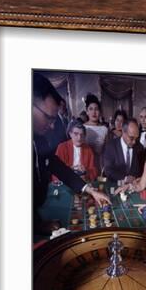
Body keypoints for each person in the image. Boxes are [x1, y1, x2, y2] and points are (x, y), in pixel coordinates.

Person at [32, 73, 109, 234]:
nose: (52, 126)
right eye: (48, 118)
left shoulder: (40, 140)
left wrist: (90, 190)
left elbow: (58, 167)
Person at [83, 93, 108, 173]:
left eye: (96, 109)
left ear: (100, 112)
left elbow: (107, 151)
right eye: (91, 109)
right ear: (87, 111)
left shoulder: (104, 129)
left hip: (100, 166)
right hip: (85, 165)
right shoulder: (82, 128)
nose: (94, 112)